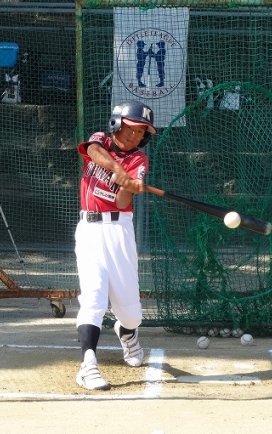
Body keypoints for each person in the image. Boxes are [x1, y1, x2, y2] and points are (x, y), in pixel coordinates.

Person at [74, 100, 157, 391]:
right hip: (89, 230)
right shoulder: (101, 140)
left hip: (119, 231)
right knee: (93, 299)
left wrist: (129, 186)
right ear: (117, 123)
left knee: (131, 313)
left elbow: (122, 202)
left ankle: (127, 331)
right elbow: (93, 152)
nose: (135, 136)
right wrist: (116, 168)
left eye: (141, 132)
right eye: (132, 128)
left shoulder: (139, 161)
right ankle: (88, 366)